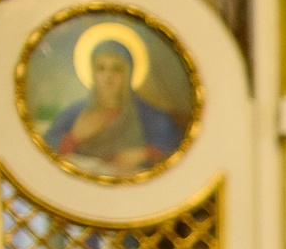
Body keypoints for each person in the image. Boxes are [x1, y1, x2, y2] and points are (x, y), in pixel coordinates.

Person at [43, 37, 183, 177]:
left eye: (117, 69)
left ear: (128, 73)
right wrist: (72, 138)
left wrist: (146, 152)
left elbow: (174, 150)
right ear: (93, 73)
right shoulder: (75, 112)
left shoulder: (151, 115)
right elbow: (46, 150)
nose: (108, 76)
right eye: (101, 68)